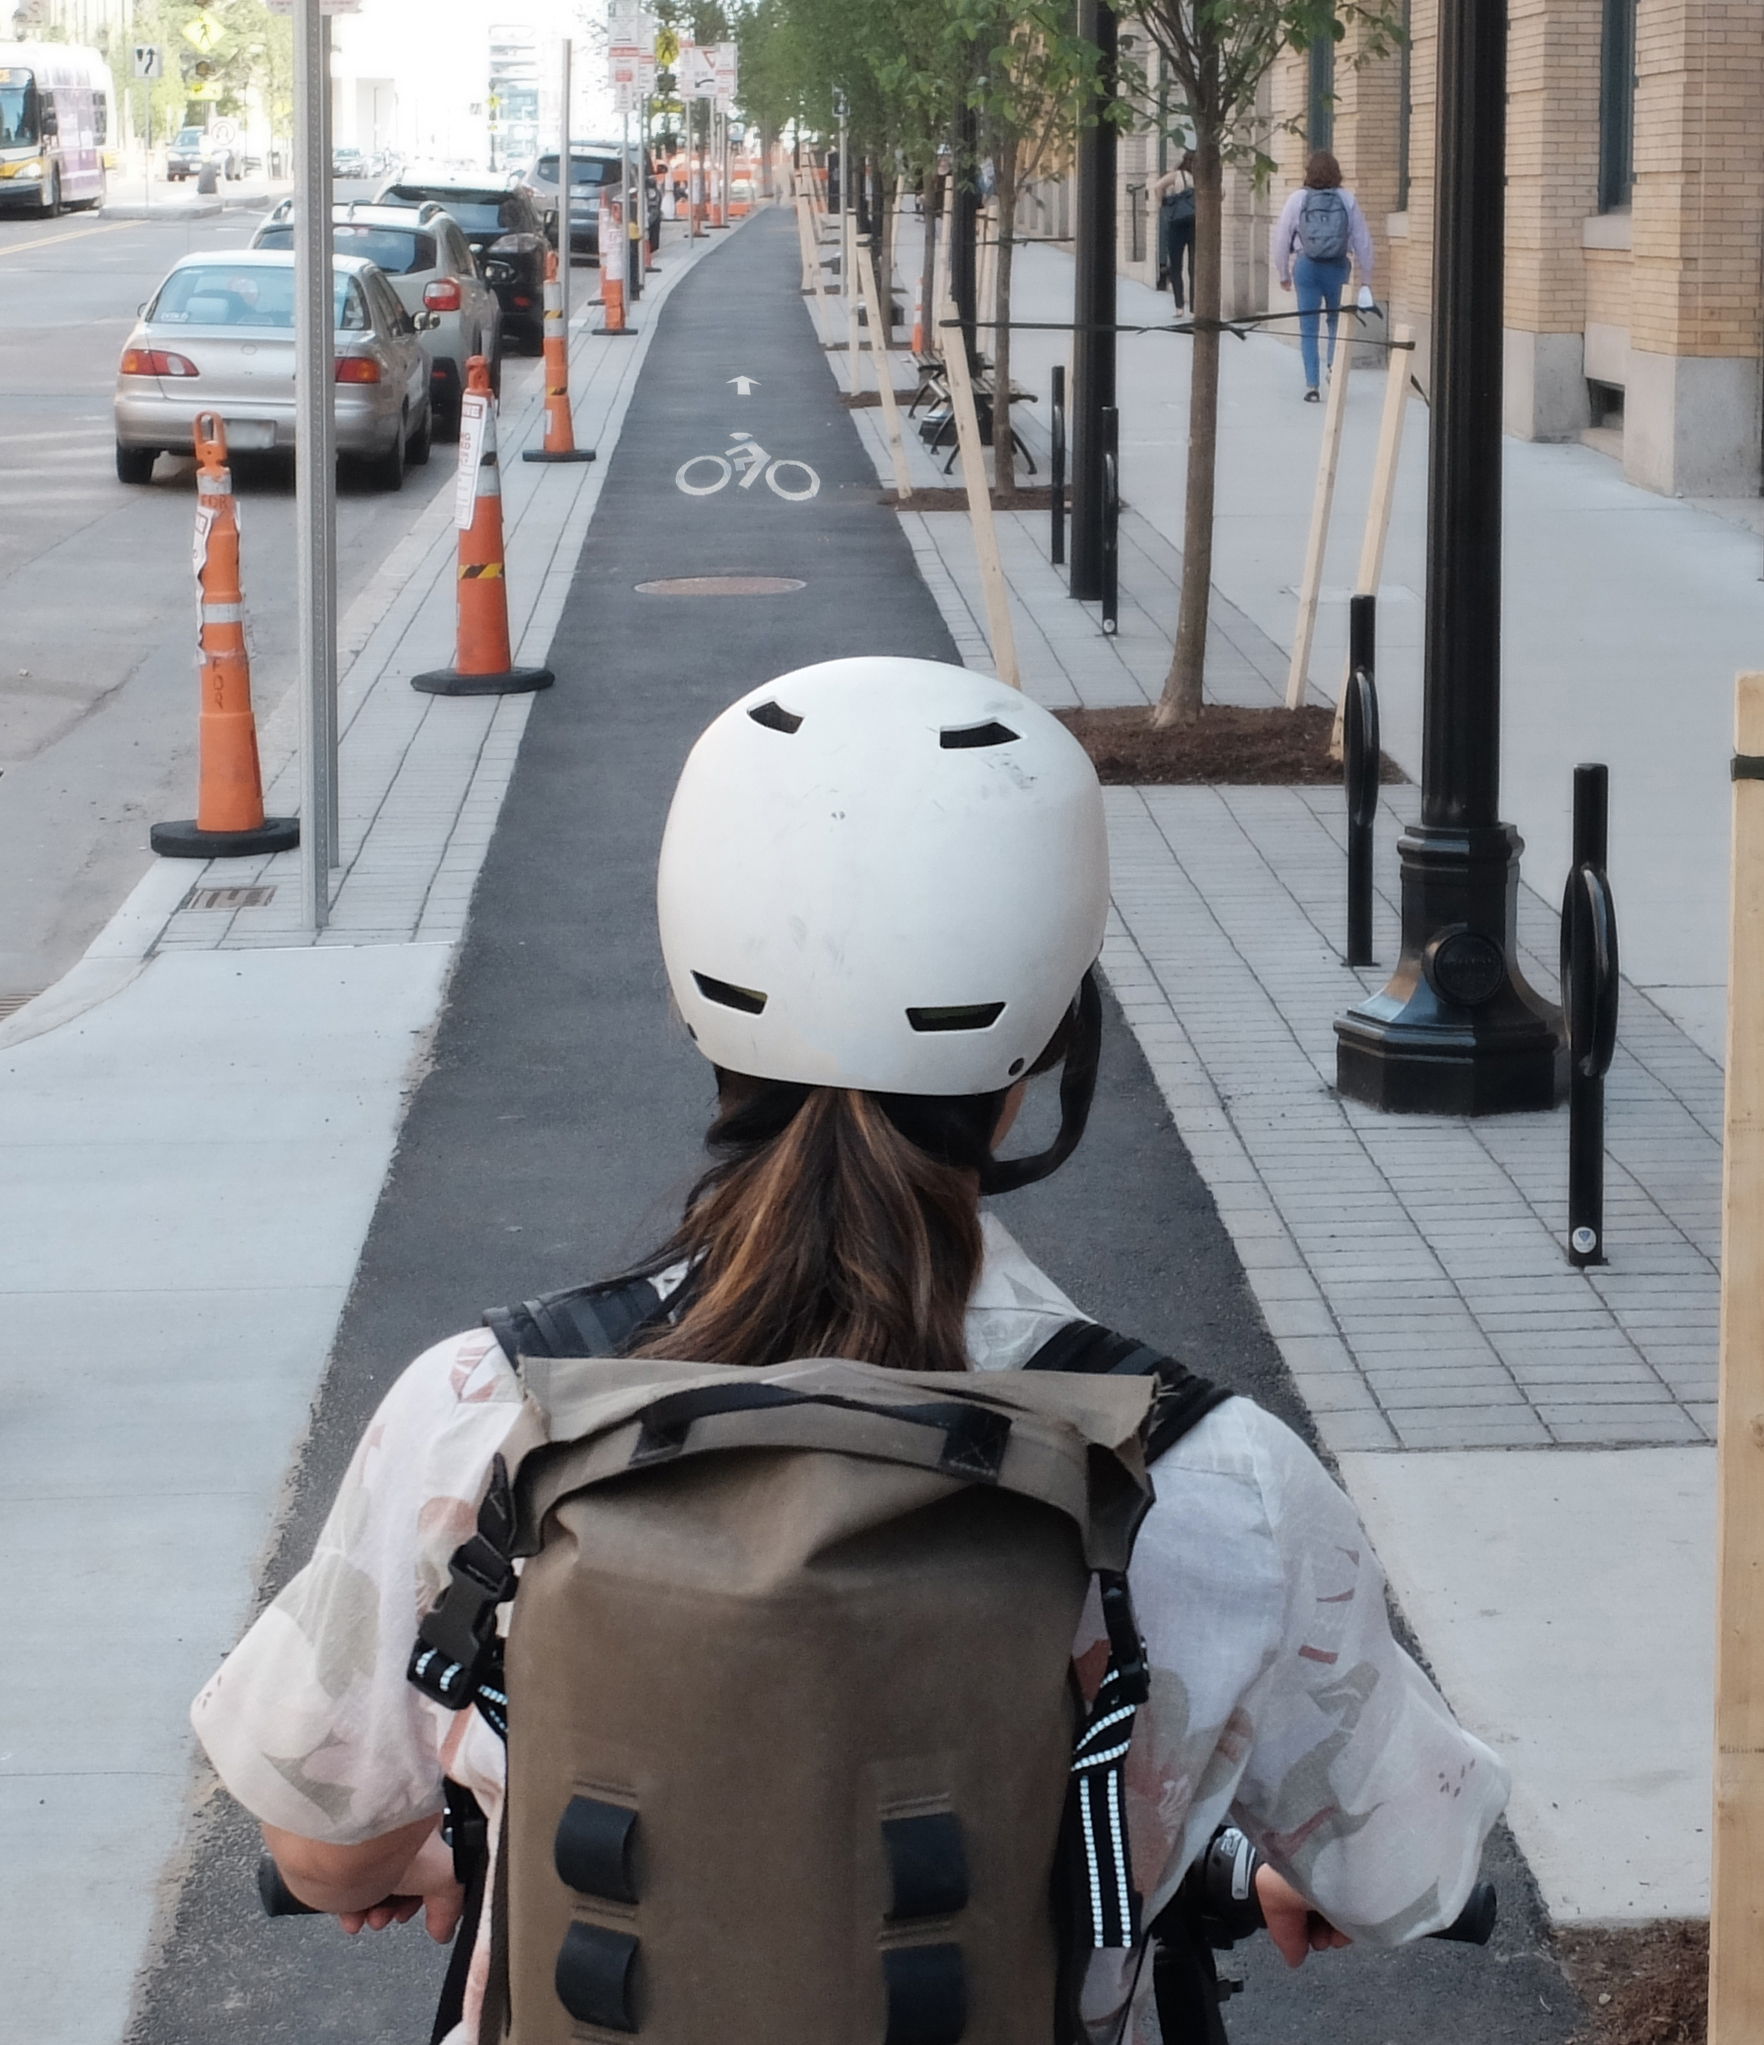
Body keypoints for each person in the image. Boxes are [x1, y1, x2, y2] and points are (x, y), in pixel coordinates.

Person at [189, 658, 1506, 2044]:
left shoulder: (482, 1415)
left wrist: (453, 1845)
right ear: (1056, 1030)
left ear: (693, 985)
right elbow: (1409, 1872)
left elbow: (321, 1843)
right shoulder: (1212, 1480)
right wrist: (1248, 1850)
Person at [1271, 149, 1374, 401]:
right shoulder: (1347, 199)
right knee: (1336, 323)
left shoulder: (1298, 199)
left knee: (1308, 327)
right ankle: (1333, 368)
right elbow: (1363, 240)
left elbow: (1281, 238)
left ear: (1309, 172)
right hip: (1338, 266)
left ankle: (1312, 386)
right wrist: (1366, 279)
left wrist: (1283, 272)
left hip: (1307, 266)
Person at [1149, 152, 1197, 319]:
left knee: (1176, 266)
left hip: (1176, 224)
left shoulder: (1178, 175)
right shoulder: (1203, 178)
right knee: (1194, 268)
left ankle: (1179, 307)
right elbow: (1222, 192)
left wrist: (1162, 204)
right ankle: (1194, 308)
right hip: (1196, 224)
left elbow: (1157, 187)